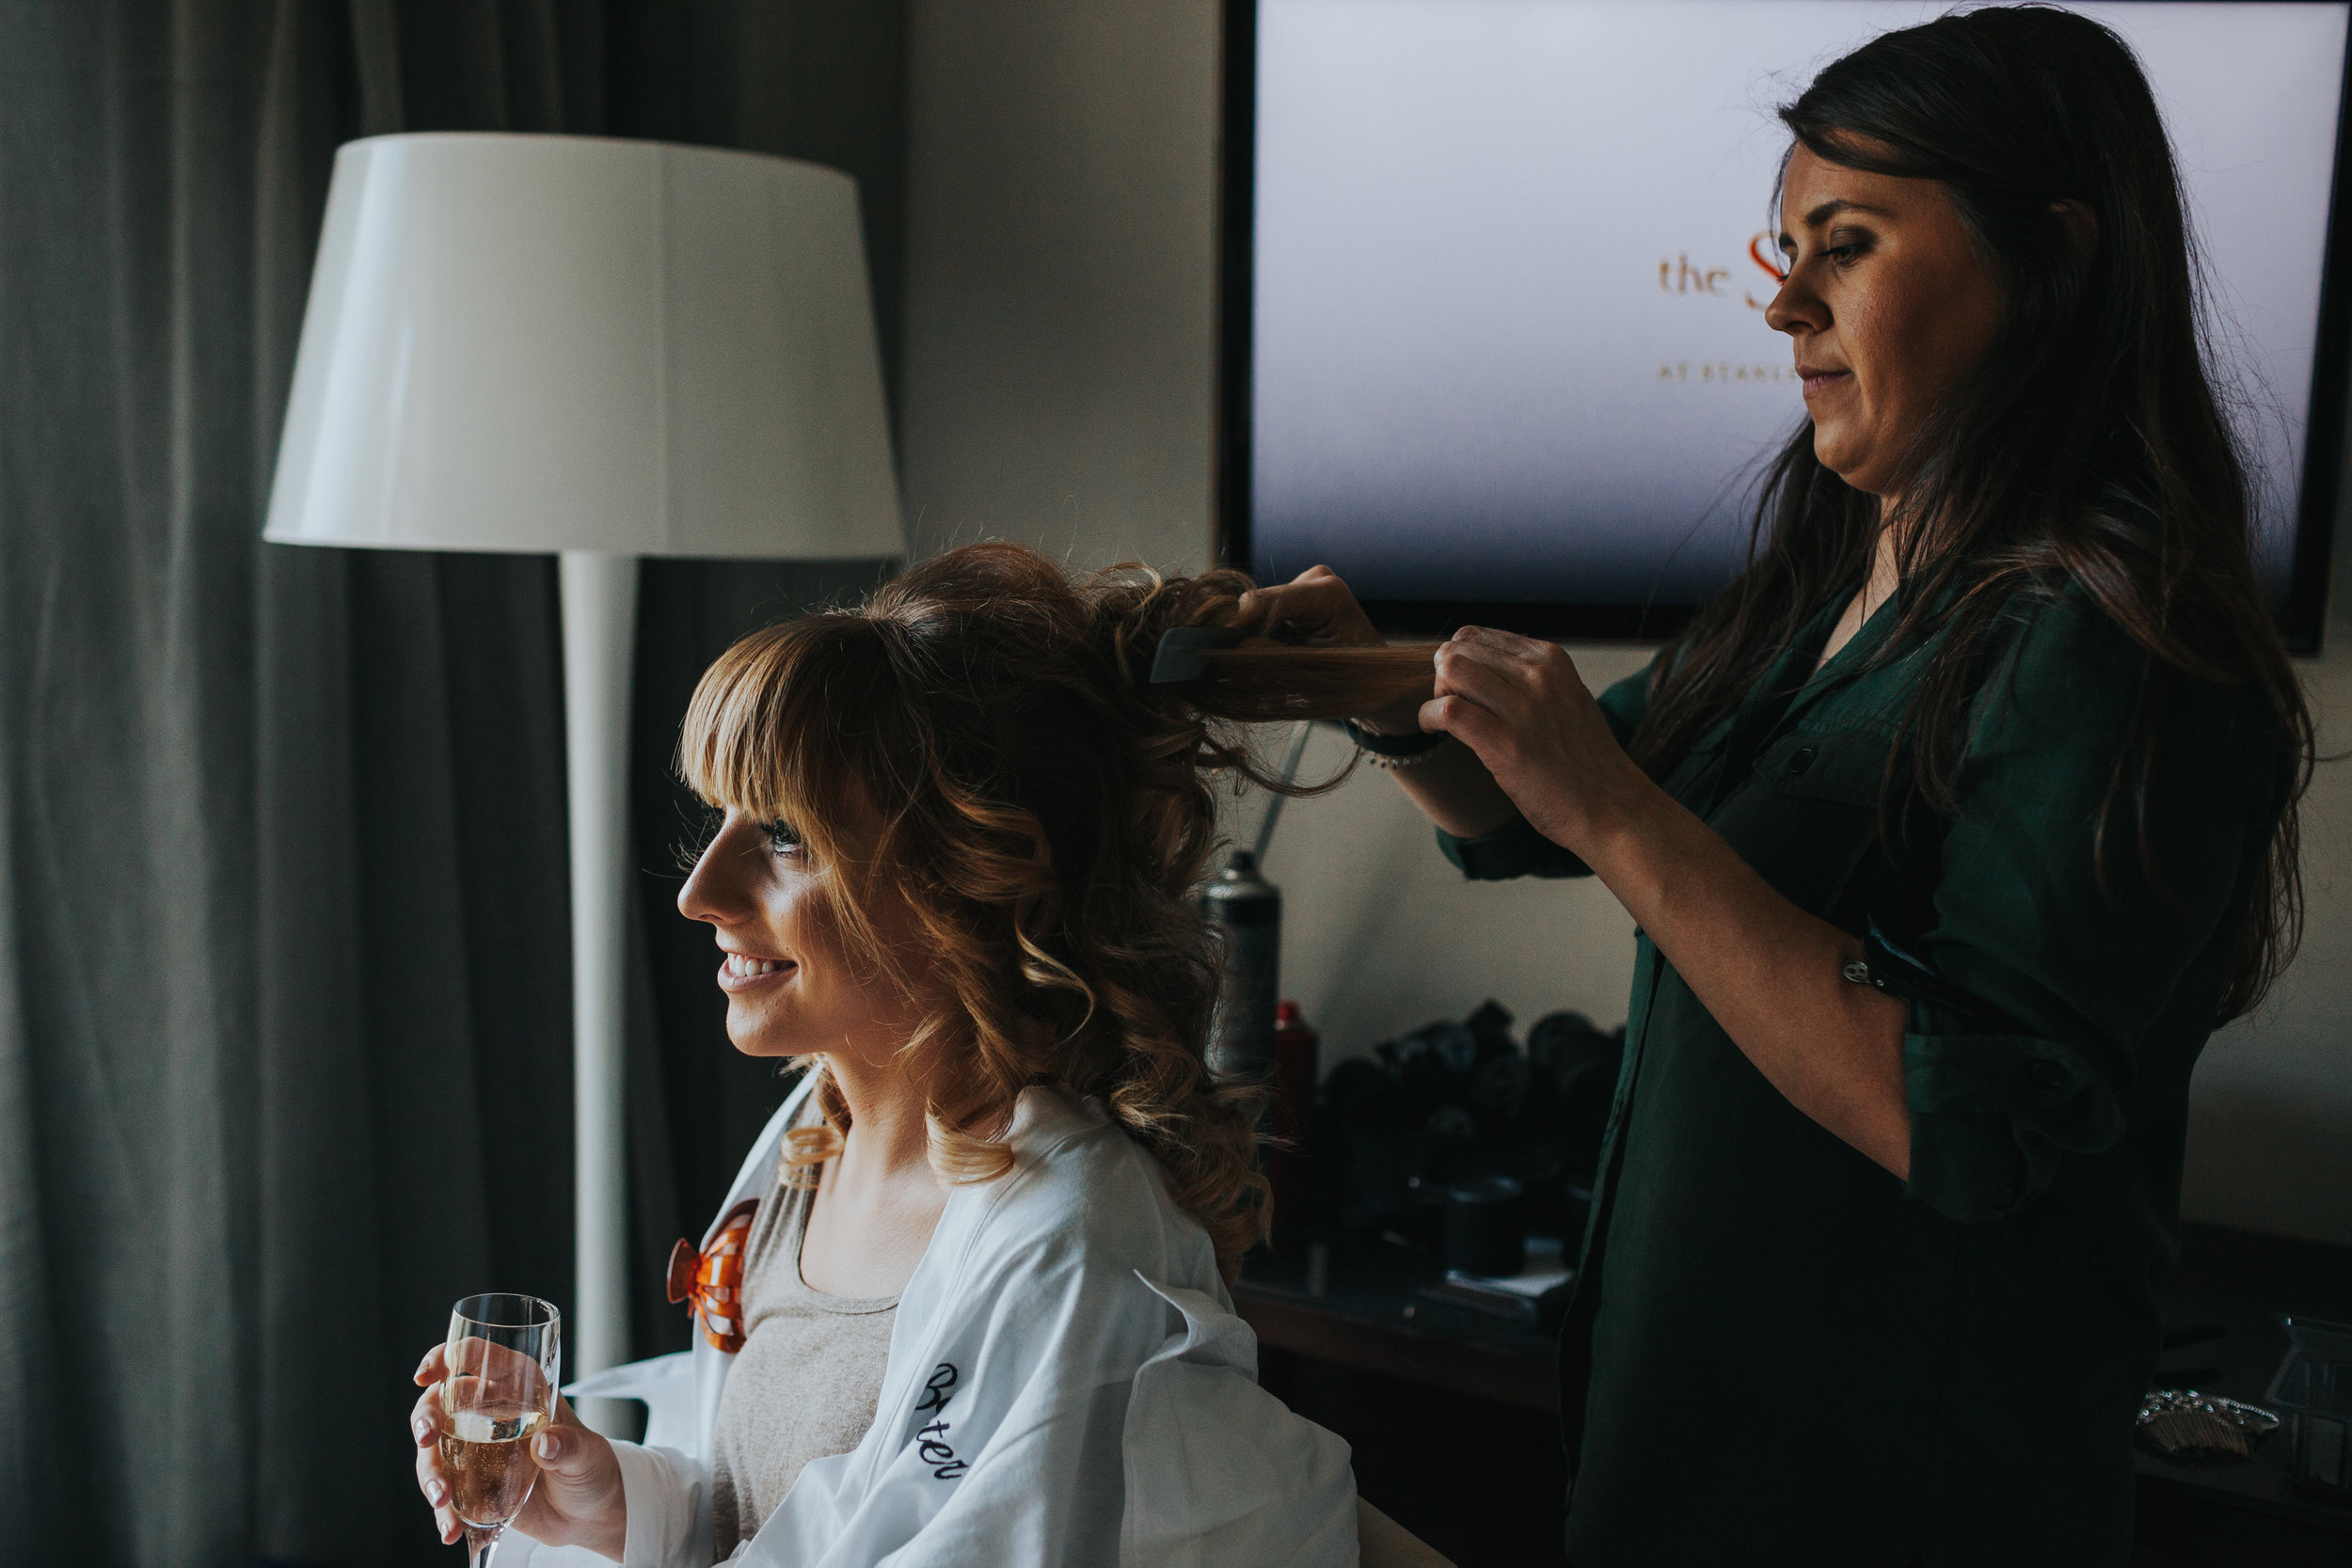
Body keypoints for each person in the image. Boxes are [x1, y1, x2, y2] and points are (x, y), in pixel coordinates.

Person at [1239, 8, 2310, 1564]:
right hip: (1676, 1457)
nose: (1784, 301)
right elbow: (1517, 811)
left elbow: (1948, 1115)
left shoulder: (2114, 646)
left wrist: (1613, 806)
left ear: (2058, 262)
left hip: (1898, 1497)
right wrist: (1356, 676)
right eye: (1783, 245)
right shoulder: (1821, 591)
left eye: (1848, 243)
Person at [402, 543, 1454, 1566]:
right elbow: (783, 1511)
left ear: (966, 876)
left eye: (783, 837)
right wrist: (613, 1502)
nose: (698, 894)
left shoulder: (1072, 1245)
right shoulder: (809, 1148)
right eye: (719, 820)